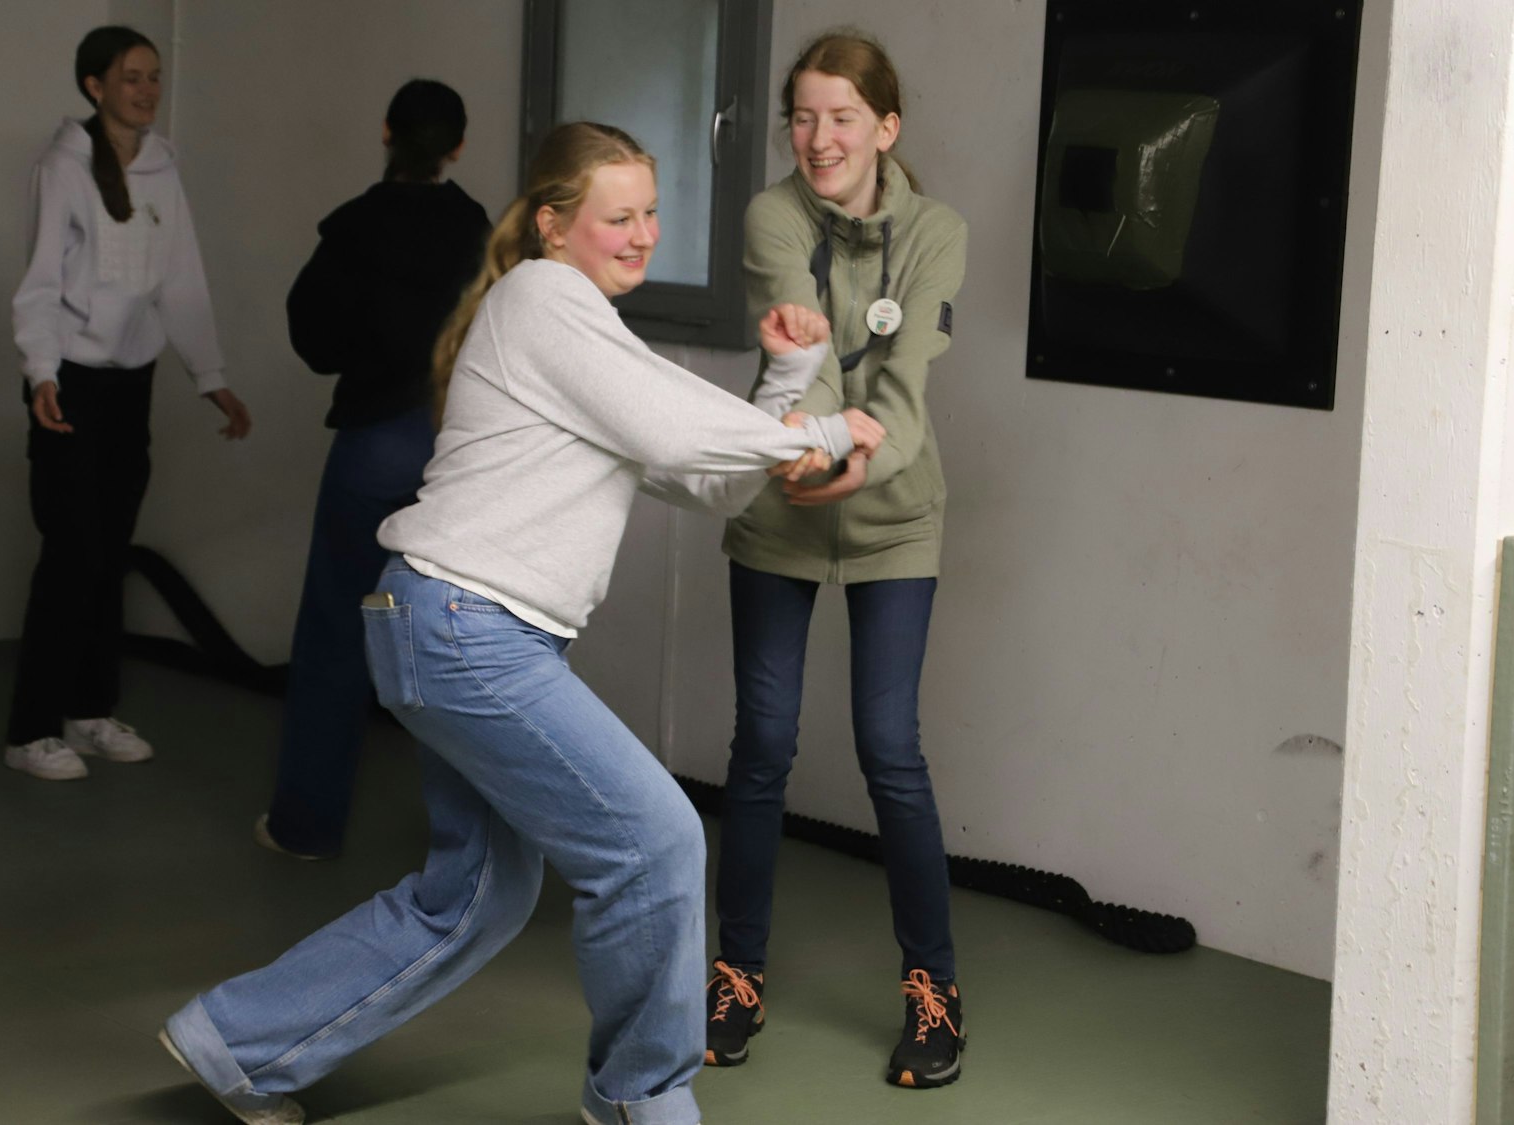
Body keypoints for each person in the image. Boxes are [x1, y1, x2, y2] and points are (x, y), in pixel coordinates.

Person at [159, 122, 882, 1125]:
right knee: (656, 842)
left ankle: (234, 1043)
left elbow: (705, 479)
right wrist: (828, 428)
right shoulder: (546, 299)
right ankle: (637, 1100)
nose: (643, 234)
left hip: (451, 625)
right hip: (465, 627)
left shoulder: (577, 329)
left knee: (473, 894)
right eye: (617, 217)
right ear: (552, 225)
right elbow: (682, 432)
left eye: (650, 213)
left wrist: (789, 380)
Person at [703, 30, 972, 1091]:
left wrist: (860, 465)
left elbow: (905, 384)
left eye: (842, 117)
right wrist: (817, 450)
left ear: (885, 128)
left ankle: (934, 989)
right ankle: (737, 975)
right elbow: (802, 351)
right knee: (762, 745)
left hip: (894, 516)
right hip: (785, 503)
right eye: (803, 117)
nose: (819, 138)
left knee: (888, 748)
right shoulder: (771, 215)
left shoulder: (936, 231)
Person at [4, 25, 251, 781]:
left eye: (153, 77)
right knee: (70, 554)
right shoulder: (63, 166)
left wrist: (209, 375)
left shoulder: (163, 168)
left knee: (109, 553)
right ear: (95, 86)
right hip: (70, 383)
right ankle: (31, 730)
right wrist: (41, 373)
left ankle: (89, 711)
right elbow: (41, 281)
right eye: (131, 77)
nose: (147, 91)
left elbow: (182, 280)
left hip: (129, 387)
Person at [257, 79, 492, 860]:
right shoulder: (476, 230)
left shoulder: (354, 227)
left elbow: (312, 336)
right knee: (457, 639)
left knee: (335, 631)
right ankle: (470, 846)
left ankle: (304, 825)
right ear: (457, 147)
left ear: (386, 132)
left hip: (374, 445)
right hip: (456, 447)